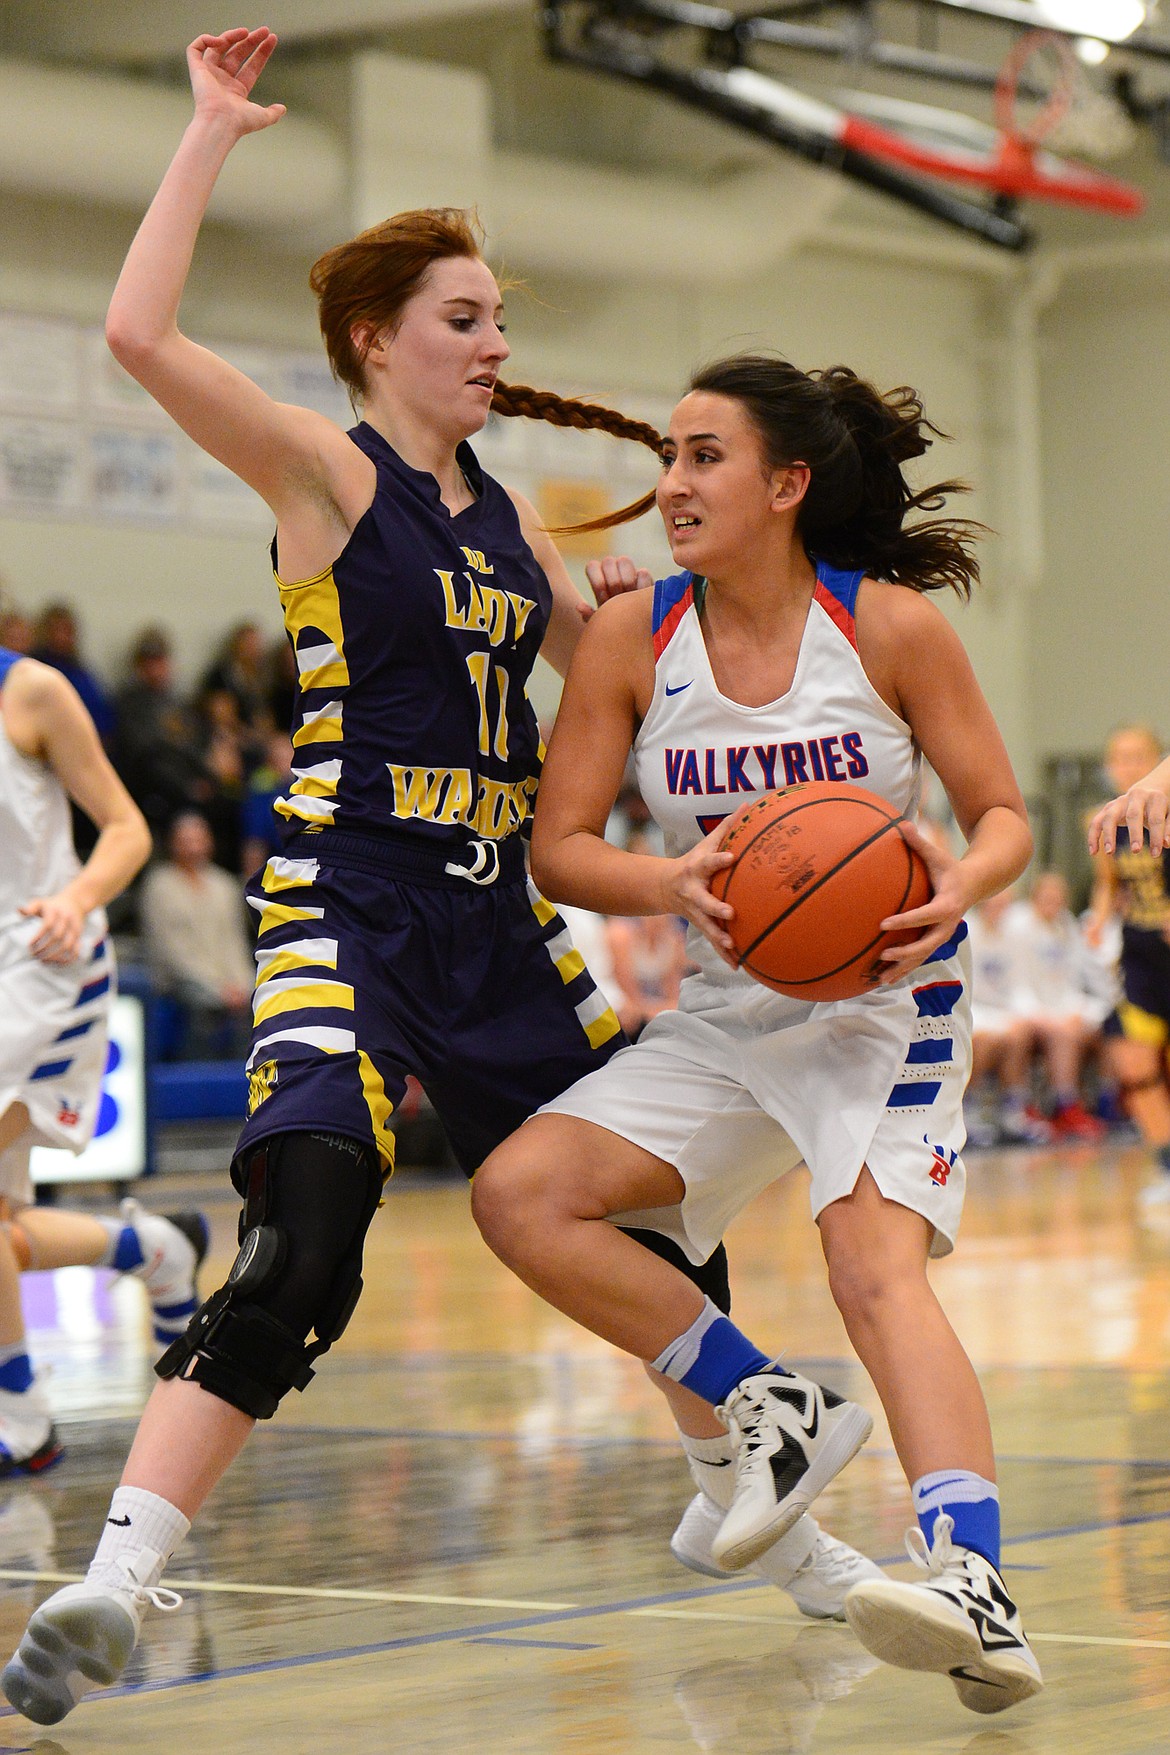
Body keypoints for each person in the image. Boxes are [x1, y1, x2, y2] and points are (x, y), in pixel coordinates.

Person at [0, 29, 874, 1727]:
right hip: (345, 895)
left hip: (496, 919)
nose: (493, 345)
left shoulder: (523, 541)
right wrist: (202, 137)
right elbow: (135, 334)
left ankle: (779, 1533)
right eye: (463, 319)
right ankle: (112, 1577)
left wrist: (685, 626)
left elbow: (652, 686)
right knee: (306, 1234)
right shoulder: (330, 478)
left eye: (497, 322)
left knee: (648, 1220)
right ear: (373, 342)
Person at [471, 352, 1042, 1713]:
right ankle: (761, 1399)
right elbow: (558, 846)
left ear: (785, 484)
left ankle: (971, 1574)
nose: (670, 484)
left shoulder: (889, 630)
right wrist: (664, 881)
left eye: (703, 456)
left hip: (887, 1007)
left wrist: (958, 878)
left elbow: (1003, 813)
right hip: (729, 1012)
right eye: (667, 456)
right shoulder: (630, 638)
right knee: (522, 1193)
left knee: (868, 1266)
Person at [0, 646, 208, 1474]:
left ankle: (21, 1417)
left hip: (41, 962)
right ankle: (153, 1248)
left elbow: (127, 827)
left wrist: (77, 897)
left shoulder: (31, 690)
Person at [1088, 724, 1170, 1207]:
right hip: (1140, 951)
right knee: (1132, 1062)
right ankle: (1165, 1163)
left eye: (1139, 756)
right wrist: (1097, 921)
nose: (1128, 765)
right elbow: (1107, 881)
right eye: (1118, 757)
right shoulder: (1103, 821)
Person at [138, 812, 255, 1059]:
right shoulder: (159, 886)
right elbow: (171, 951)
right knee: (205, 1004)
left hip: (228, 983)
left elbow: (234, 944)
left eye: (198, 839)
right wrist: (218, 988)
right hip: (179, 980)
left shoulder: (225, 885)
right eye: (186, 840)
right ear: (173, 844)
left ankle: (245, 1079)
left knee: (259, 1000)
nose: (193, 847)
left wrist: (243, 984)